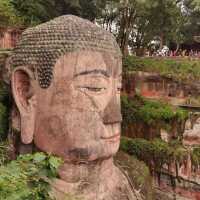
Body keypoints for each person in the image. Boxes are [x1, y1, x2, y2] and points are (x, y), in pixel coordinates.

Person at [10, 15, 141, 200]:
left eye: (118, 88)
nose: (115, 116)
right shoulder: (15, 191)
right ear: (25, 94)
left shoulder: (135, 177)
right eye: (94, 87)